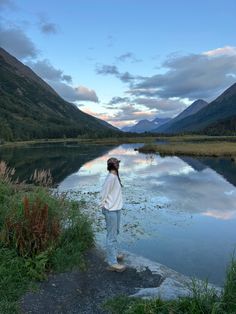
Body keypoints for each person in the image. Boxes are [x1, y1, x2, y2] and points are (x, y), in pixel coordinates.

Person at [100, 157, 126, 272]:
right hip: (110, 210)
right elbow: (103, 194)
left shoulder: (115, 177)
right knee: (111, 237)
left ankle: (114, 254)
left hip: (116, 209)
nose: (119, 166)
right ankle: (112, 262)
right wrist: (104, 207)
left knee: (115, 233)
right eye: (117, 164)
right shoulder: (110, 178)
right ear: (115, 166)